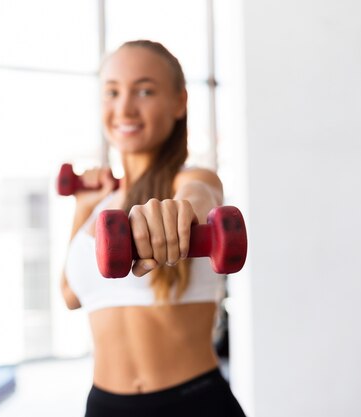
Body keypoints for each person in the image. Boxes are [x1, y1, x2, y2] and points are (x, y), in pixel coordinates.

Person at [60, 40, 247, 417]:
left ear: (180, 102)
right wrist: (82, 207)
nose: (125, 108)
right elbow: (70, 295)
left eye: (145, 90)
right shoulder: (98, 204)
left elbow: (200, 197)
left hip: (192, 404)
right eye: (112, 91)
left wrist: (177, 213)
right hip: (103, 405)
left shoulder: (192, 179)